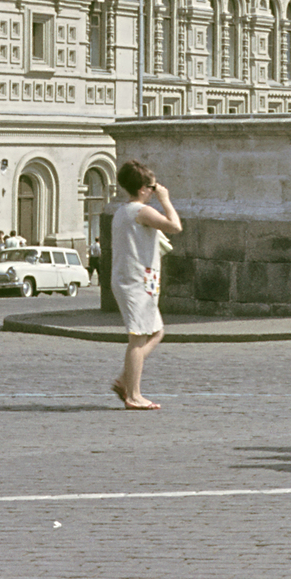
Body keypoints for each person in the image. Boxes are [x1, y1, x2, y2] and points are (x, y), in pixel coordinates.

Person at [109, 159, 181, 411]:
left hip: (139, 280)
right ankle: (133, 395)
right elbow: (175, 226)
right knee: (138, 338)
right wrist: (165, 199)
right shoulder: (140, 211)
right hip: (134, 282)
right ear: (142, 189)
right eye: (152, 186)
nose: (155, 189)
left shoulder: (123, 211)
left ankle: (124, 380)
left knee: (156, 331)